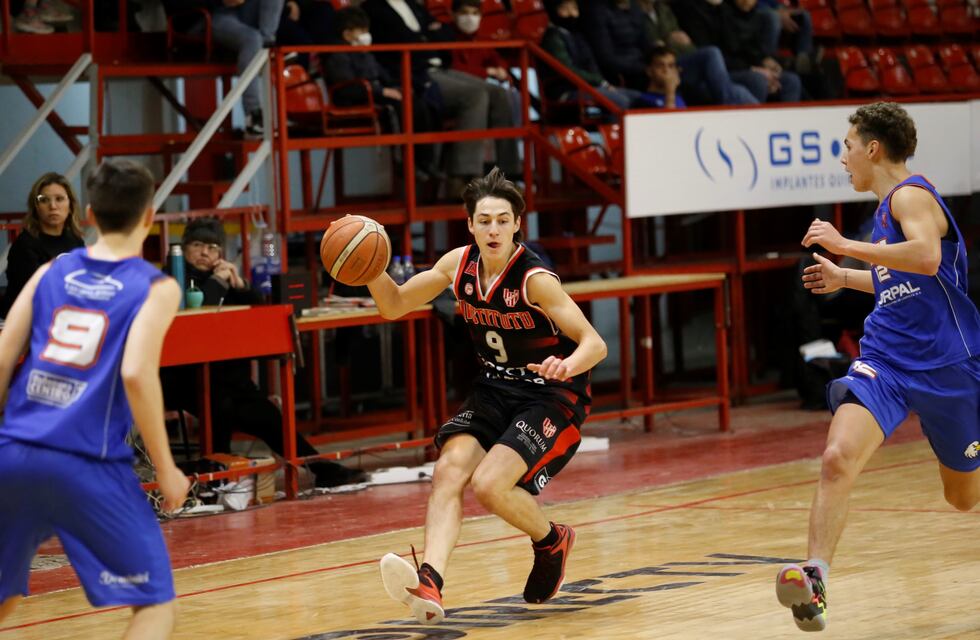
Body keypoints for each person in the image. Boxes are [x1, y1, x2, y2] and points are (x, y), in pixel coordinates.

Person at [364, 167, 607, 624]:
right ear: (470, 225)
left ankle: (551, 540)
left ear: (517, 224)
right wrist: (372, 268)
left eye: (501, 219)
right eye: (484, 220)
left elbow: (595, 342)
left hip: (550, 395)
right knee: (449, 470)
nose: (492, 228)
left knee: (490, 485)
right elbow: (393, 305)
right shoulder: (458, 265)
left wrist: (566, 364)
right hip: (495, 388)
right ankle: (430, 580)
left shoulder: (535, 279)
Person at [775, 102, 980, 631]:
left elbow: (928, 258)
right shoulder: (885, 212)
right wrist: (848, 278)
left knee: (962, 499)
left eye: (846, 146)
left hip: (947, 366)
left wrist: (845, 247)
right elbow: (903, 277)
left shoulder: (909, 195)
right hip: (886, 360)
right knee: (837, 457)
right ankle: (815, 579)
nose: (842, 157)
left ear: (872, 148)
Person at [0, 159, 190, 639]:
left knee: (4, 601)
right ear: (150, 216)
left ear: (86, 214)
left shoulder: (48, 272)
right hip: (86, 461)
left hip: (16, 453)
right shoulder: (156, 286)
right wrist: (166, 469)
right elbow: (136, 372)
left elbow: (2, 358)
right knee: (154, 607)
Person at [161, 217, 365, 488]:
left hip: (226, 381)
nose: (204, 253)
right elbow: (199, 310)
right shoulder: (170, 278)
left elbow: (260, 310)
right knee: (219, 405)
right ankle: (216, 479)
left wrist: (241, 286)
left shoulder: (221, 279)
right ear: (184, 249)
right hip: (182, 379)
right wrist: (219, 283)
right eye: (197, 245)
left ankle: (321, 468)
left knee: (266, 413)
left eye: (212, 248)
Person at [323, 6, 442, 181]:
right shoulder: (337, 55)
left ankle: (426, 162)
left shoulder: (365, 53)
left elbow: (382, 74)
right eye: (361, 31)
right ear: (347, 34)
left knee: (416, 102)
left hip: (376, 94)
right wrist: (382, 91)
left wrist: (398, 87)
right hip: (358, 98)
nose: (366, 35)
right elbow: (347, 87)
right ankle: (406, 164)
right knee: (399, 107)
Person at [164, 0, 285, 136]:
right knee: (252, 39)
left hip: (238, 13)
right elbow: (175, 5)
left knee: (256, 39)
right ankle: (253, 114)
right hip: (205, 17)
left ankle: (266, 46)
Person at [1, 172, 86, 318]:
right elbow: (40, 294)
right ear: (36, 206)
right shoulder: (25, 245)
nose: (53, 206)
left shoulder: (76, 241)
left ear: (70, 205)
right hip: (24, 323)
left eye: (59, 199)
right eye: (44, 200)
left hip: (62, 319)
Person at [539, 0, 642, 113]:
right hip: (566, 91)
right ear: (554, 12)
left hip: (589, 87)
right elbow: (567, 70)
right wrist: (600, 82)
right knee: (619, 101)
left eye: (574, 9)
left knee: (637, 97)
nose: (572, 14)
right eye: (565, 9)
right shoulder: (552, 38)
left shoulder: (577, 35)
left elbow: (591, 63)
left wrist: (603, 83)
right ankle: (613, 129)